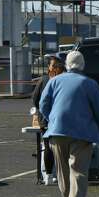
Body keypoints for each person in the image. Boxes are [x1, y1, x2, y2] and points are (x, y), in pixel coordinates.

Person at [39, 51, 99, 197]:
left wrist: (53, 118)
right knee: (78, 171)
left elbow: (43, 104)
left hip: (57, 131)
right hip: (82, 133)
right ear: (83, 65)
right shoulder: (90, 84)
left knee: (62, 173)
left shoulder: (54, 81)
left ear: (66, 64)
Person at [32, 54, 66, 185]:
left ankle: (58, 174)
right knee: (47, 147)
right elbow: (35, 99)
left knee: (59, 147)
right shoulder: (44, 80)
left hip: (59, 120)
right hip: (46, 120)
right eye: (53, 66)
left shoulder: (63, 80)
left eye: (58, 66)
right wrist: (42, 113)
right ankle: (47, 175)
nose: (55, 68)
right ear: (49, 68)